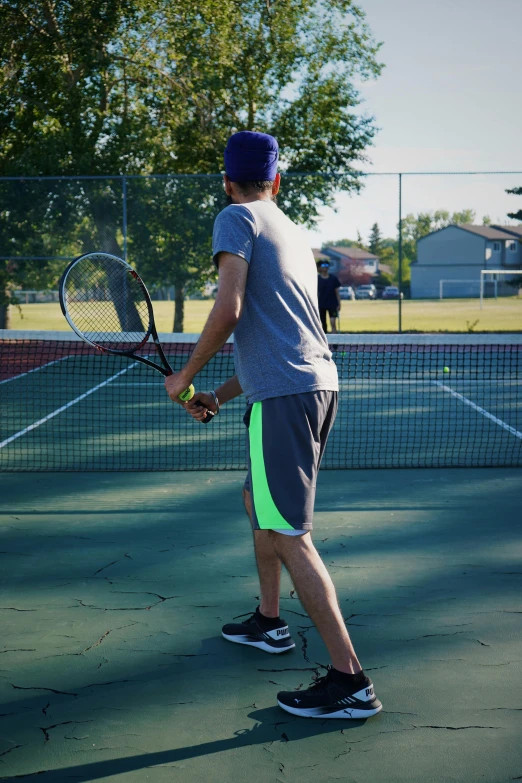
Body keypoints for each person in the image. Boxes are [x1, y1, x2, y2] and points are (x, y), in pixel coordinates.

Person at [165, 130, 382, 720]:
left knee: (290, 532)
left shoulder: (235, 216)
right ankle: (268, 621)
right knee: (256, 500)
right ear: (276, 181)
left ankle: (350, 681)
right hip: (314, 387)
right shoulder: (291, 230)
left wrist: (182, 376)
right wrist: (216, 392)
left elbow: (229, 310)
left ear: (227, 181)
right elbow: (283, 339)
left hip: (287, 398)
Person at [317, 260, 341, 334]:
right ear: (320, 267)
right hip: (321, 305)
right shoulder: (317, 279)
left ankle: (335, 343)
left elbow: (337, 292)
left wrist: (339, 304)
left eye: (327, 266)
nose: (325, 267)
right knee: (323, 324)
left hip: (332, 304)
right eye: (323, 266)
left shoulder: (333, 278)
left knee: (333, 323)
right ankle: (325, 343)